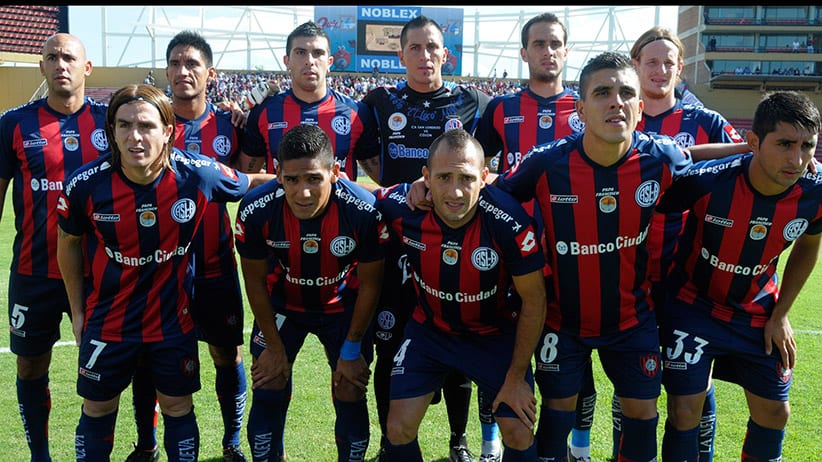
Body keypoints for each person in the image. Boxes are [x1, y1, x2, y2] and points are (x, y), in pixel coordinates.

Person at [491, 51, 693, 462]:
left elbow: (711, 172)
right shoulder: (547, 163)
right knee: (556, 412)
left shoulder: (661, 158)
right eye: (603, 92)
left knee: (642, 413)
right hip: (562, 321)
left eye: (626, 92)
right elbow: (494, 197)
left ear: (639, 106)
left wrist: (756, 151)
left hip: (632, 319)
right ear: (581, 108)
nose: (615, 101)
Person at [56, 83, 272, 461]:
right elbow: (68, 244)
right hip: (108, 321)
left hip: (172, 320)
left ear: (168, 131)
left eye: (146, 126)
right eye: (124, 126)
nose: (134, 136)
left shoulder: (197, 174)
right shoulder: (85, 185)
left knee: (177, 407)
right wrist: (77, 313)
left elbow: (251, 182)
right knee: (97, 410)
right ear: (112, 131)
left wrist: (327, 180)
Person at [657, 90, 821, 461]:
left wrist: (780, 316)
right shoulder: (708, 182)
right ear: (753, 142)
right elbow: (661, 181)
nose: (797, 159)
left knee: (776, 413)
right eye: (784, 144)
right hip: (692, 308)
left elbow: (809, 244)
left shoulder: (815, 191)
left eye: (807, 146)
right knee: (685, 412)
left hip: (757, 313)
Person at [359, 14, 492, 461]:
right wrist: (405, 191)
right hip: (398, 245)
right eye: (414, 48)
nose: (424, 55)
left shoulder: (472, 101)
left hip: (455, 241)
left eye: (431, 47)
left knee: (456, 340)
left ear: (444, 53)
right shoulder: (379, 101)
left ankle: (458, 441)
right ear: (401, 55)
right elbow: (360, 160)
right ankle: (386, 441)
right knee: (388, 342)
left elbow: (489, 162)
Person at [374, 128, 547, 462]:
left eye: (466, 178)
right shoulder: (404, 206)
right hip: (430, 332)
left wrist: (515, 377)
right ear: (425, 176)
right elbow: (357, 194)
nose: (454, 191)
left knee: (518, 431)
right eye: (443, 177)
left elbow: (534, 299)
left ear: (484, 177)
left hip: (493, 335)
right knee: (397, 428)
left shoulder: (507, 221)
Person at [126, 30, 251, 462]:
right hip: (155, 268)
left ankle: (232, 440)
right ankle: (147, 443)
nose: (183, 71)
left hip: (214, 263)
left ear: (210, 74)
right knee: (147, 357)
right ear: (166, 70)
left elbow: (249, 185)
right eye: (175, 63)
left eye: (192, 63)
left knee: (225, 353)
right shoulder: (147, 123)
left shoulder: (232, 126)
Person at [234, 123, 386, 462]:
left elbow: (371, 284)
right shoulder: (256, 210)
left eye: (314, 179)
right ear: (277, 175)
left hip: (343, 307)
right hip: (282, 305)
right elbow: (254, 282)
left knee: (350, 384)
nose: (303, 193)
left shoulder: (363, 211)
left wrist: (351, 347)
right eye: (292, 180)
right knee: (269, 379)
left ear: (334, 172)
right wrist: (273, 347)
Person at [473, 12, 583, 462]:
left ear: (566, 51)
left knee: (571, 365)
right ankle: (489, 443)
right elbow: (476, 166)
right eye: (539, 44)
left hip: (571, 254)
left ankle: (578, 447)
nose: (548, 51)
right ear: (524, 53)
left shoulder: (584, 106)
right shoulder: (500, 109)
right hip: (508, 254)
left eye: (555, 43)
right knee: (497, 350)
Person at [0, 32, 109, 462]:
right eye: (51, 57)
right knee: (29, 365)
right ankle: (39, 455)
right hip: (33, 273)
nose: (60, 64)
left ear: (86, 68)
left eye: (69, 57)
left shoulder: (111, 120)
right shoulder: (13, 124)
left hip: (99, 272)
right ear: (42, 68)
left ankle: (142, 443)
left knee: (118, 363)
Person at [235, 20, 377, 182]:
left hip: (340, 208)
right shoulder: (264, 112)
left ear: (330, 62)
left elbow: (384, 176)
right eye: (301, 52)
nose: (310, 60)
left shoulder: (357, 113)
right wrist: (230, 114)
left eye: (318, 53)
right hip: (280, 208)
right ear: (287, 61)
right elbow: (244, 174)